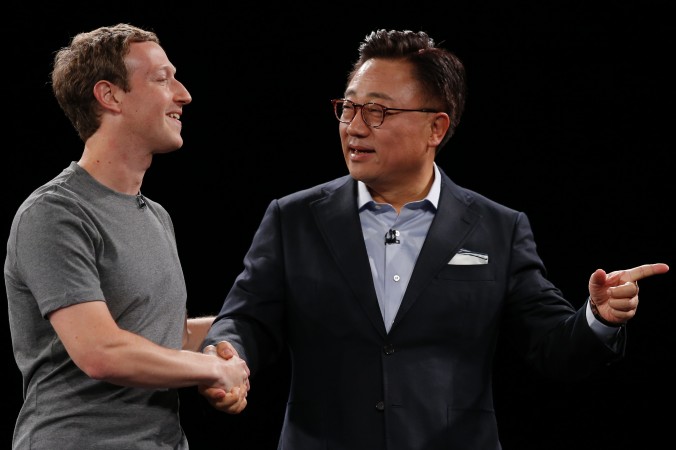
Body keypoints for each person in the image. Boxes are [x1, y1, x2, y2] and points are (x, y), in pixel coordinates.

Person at [197, 29, 669, 449]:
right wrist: (227, 354)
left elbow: (551, 346)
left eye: (378, 110)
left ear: (436, 128)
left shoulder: (498, 228)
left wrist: (599, 318)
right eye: (349, 107)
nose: (355, 127)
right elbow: (247, 318)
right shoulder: (293, 218)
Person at [4, 23, 250, 450]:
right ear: (110, 95)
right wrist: (210, 370)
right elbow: (102, 351)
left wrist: (249, 328)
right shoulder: (55, 213)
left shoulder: (156, 216)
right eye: (162, 78)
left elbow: (160, 336)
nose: (183, 94)